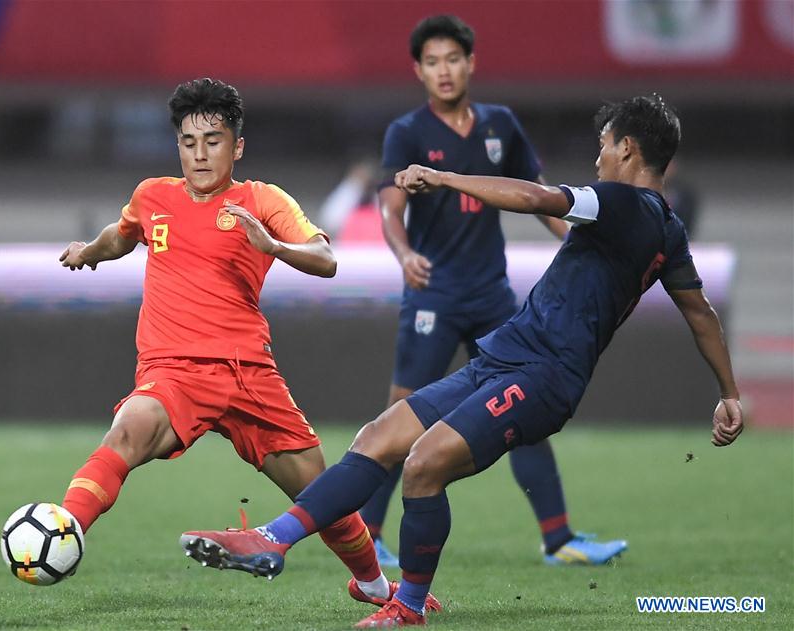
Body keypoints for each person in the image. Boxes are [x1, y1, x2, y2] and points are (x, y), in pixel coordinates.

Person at [179, 94, 744, 628]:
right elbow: (700, 313)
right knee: (379, 436)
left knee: (424, 465)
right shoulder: (668, 227)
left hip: (543, 375)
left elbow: (538, 198)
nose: (598, 157)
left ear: (626, 149)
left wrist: (444, 177)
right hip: (508, 356)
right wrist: (729, 393)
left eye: (603, 144)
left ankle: (410, 607)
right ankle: (273, 541)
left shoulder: (623, 201)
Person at [57, 78, 439, 612]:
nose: (200, 154)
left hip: (248, 375)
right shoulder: (153, 196)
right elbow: (122, 235)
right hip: (173, 371)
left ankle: (374, 587)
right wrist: (90, 252)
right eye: (189, 143)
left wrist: (272, 245)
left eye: (213, 141)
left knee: (323, 496)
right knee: (129, 430)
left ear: (237, 146)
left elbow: (326, 260)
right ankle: (63, 527)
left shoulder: (262, 200)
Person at [364, 14, 625, 567]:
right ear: (418, 70)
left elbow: (542, 198)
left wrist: (582, 246)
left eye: (453, 59)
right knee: (400, 416)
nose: (444, 70)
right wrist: (404, 252)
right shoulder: (406, 132)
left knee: (524, 409)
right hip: (433, 294)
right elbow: (390, 209)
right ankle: (367, 534)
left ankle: (559, 540)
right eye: (432, 62)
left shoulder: (501, 125)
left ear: (470, 63)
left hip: (493, 298)